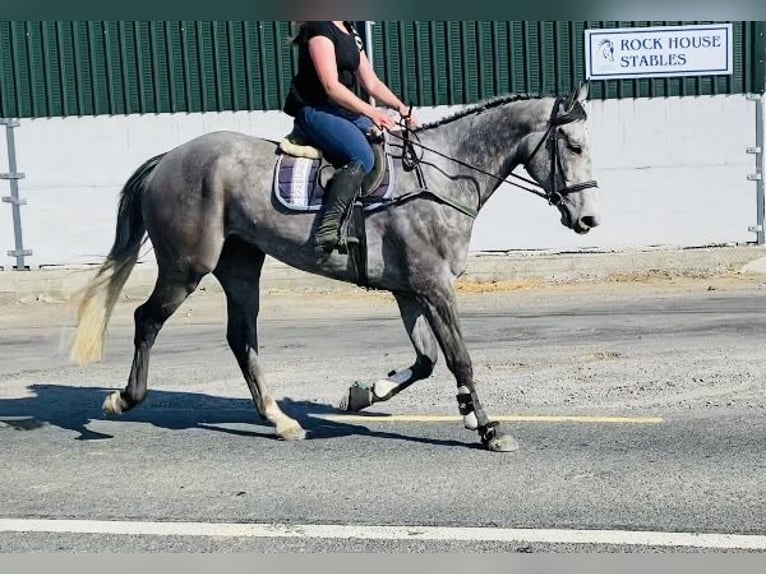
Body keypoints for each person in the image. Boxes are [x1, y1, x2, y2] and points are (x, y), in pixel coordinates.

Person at [284, 21, 418, 254]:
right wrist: (373, 112)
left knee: (389, 141)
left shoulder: (350, 30)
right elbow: (330, 86)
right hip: (316, 109)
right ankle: (328, 228)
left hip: (344, 112)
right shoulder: (319, 28)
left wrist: (401, 107)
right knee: (363, 156)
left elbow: (371, 82)